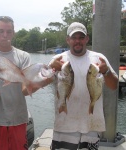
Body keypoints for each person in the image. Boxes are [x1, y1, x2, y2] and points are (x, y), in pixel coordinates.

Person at [0, 16, 61, 150]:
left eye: (9, 31)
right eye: (1, 31)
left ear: (13, 33)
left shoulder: (23, 56)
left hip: (18, 118)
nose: (5, 35)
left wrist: (45, 81)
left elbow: (24, 90)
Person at [49, 22, 118, 150]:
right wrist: (50, 69)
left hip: (91, 126)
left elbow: (114, 86)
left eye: (81, 37)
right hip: (64, 125)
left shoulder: (99, 58)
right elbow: (40, 82)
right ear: (68, 40)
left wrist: (106, 71)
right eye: (74, 37)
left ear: (87, 39)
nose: (78, 41)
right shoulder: (58, 59)